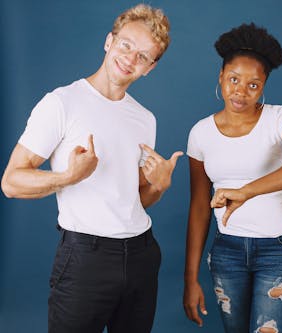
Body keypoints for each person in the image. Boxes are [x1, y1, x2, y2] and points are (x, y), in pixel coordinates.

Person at [1, 4, 182, 333]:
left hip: (142, 254)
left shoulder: (145, 119)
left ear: (150, 68)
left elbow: (133, 201)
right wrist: (70, 177)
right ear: (109, 41)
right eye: (126, 44)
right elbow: (11, 182)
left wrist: (158, 186)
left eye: (143, 56)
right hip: (86, 258)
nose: (130, 58)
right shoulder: (61, 103)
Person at [183, 23, 282, 333]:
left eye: (253, 84)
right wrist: (190, 279)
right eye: (233, 79)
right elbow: (199, 208)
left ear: (264, 86)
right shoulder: (201, 132)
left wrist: (246, 191)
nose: (240, 91)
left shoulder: (280, 118)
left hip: (279, 250)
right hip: (226, 252)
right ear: (220, 77)